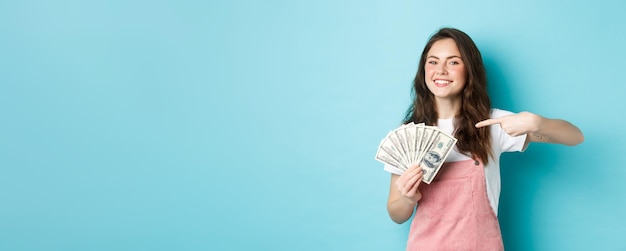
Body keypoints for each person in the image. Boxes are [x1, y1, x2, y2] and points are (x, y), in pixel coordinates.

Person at [385, 28, 584, 250]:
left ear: (469, 70)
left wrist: (538, 123)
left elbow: (575, 136)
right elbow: (397, 213)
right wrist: (407, 197)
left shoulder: (493, 124)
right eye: (433, 62)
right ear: (423, 70)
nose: (440, 70)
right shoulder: (408, 136)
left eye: (453, 62)